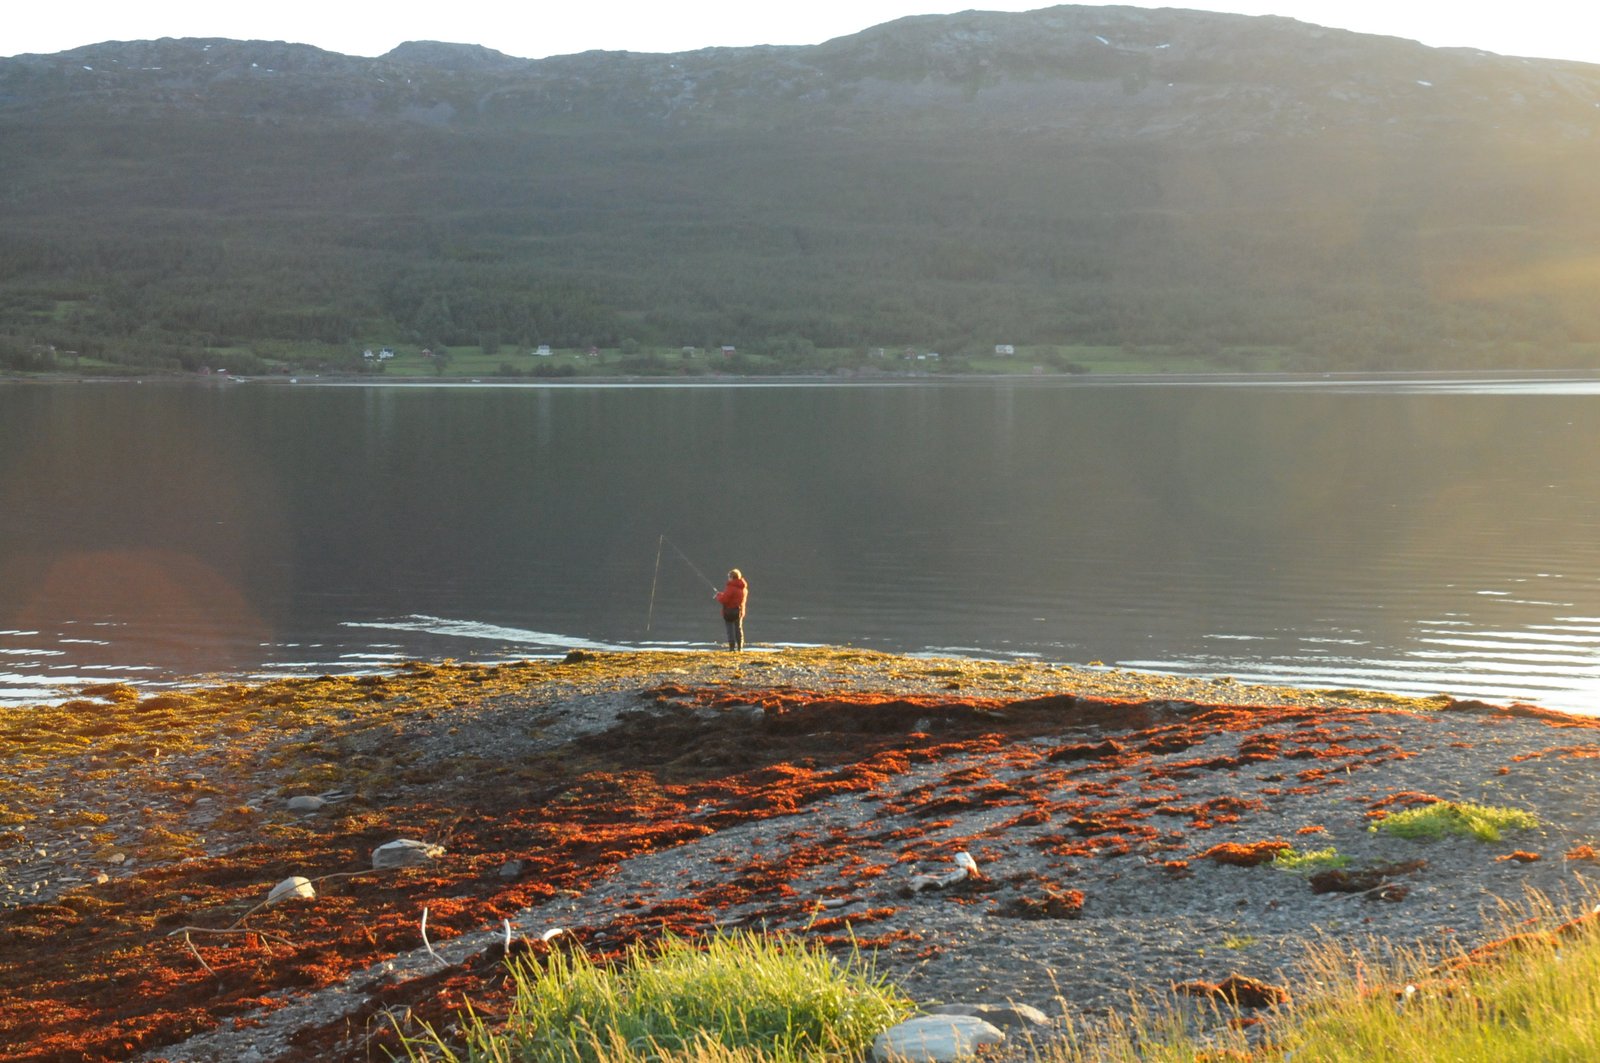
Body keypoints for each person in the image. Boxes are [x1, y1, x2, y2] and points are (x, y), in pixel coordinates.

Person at [713, 568, 748, 651]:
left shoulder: (731, 587)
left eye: (729, 577)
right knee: (738, 629)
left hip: (729, 611)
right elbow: (732, 597)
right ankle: (740, 647)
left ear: (732, 577)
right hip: (739, 611)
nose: (728, 579)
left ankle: (731, 648)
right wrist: (721, 594)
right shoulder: (743, 588)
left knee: (730, 630)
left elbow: (724, 600)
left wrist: (718, 596)